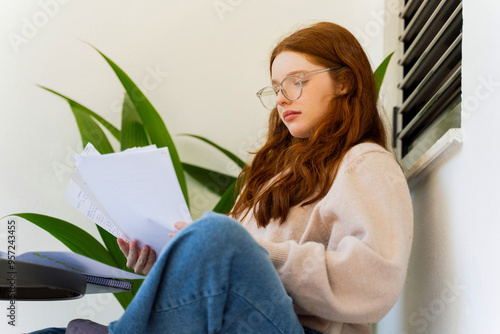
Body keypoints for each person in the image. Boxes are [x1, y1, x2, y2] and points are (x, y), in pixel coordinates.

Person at [35, 21, 413, 334]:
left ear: (345, 82)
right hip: (238, 320)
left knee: (219, 235)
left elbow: (374, 284)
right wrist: (167, 261)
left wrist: (254, 254)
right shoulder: (268, 176)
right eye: (277, 88)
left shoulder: (365, 162)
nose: (282, 98)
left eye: (297, 81)